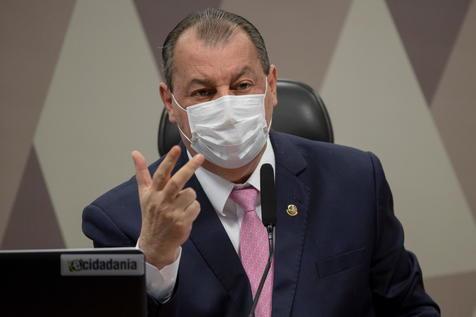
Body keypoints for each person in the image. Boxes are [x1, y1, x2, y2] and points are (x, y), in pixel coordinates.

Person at [82, 8, 440, 317]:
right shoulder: (121, 221)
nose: (226, 105)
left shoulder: (356, 182)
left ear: (270, 85)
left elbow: (411, 308)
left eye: (241, 85)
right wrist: (155, 259)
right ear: (170, 102)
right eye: (204, 92)